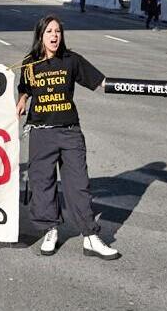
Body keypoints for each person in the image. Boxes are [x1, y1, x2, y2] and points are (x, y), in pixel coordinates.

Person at [16, 15, 119, 260]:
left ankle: (90, 236)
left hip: (70, 131)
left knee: (78, 184)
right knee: (43, 184)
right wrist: (21, 99)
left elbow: (100, 82)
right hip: (41, 133)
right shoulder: (29, 63)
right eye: (49, 31)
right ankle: (51, 229)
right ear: (40, 35)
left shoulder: (71, 60)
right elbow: (25, 88)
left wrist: (127, 86)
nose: (54, 36)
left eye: (58, 31)